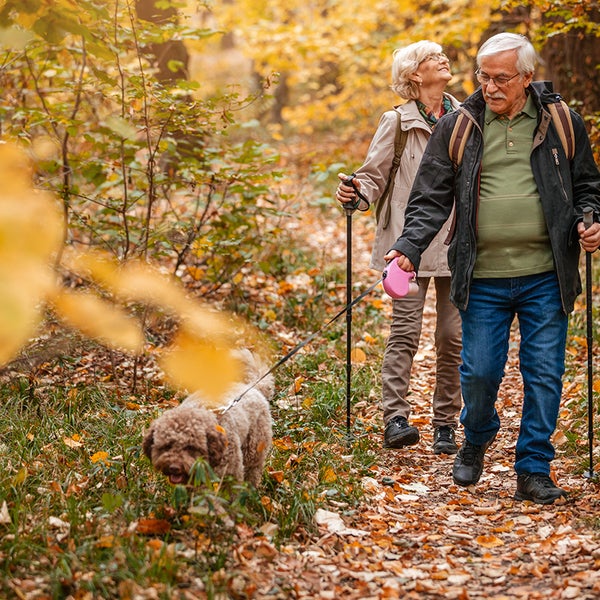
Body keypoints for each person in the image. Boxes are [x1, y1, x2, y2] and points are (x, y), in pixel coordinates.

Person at [387, 32, 600, 504]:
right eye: (483, 75)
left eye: (501, 77)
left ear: (526, 77)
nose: (489, 86)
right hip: (481, 274)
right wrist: (409, 247)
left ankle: (533, 468)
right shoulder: (460, 124)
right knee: (480, 372)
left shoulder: (562, 121)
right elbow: (430, 197)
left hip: (547, 273)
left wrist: (591, 220)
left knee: (543, 372)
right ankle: (477, 436)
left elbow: (588, 185)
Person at [335, 41, 463, 455]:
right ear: (414, 74)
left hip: (455, 241)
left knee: (452, 336)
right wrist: (356, 192)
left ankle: (446, 423)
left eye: (442, 55)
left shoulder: (466, 119)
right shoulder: (397, 122)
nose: (443, 60)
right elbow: (373, 176)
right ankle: (396, 418)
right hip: (405, 246)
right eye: (432, 58)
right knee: (405, 333)